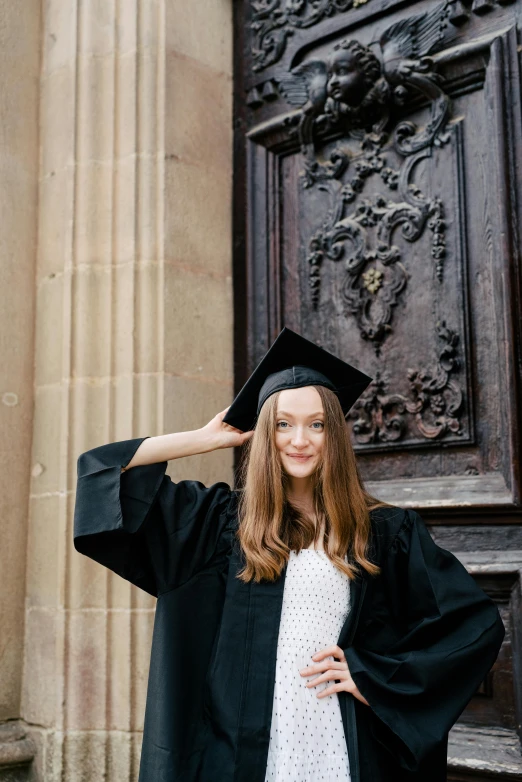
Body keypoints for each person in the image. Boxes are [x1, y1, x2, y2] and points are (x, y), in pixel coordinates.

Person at [73, 327, 505, 782]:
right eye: (283, 424)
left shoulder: (382, 532)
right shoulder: (219, 523)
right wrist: (205, 439)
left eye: (316, 424)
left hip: (332, 736)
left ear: (333, 433)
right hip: (237, 751)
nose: (300, 439)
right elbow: (103, 473)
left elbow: (473, 626)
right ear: (264, 432)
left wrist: (372, 676)